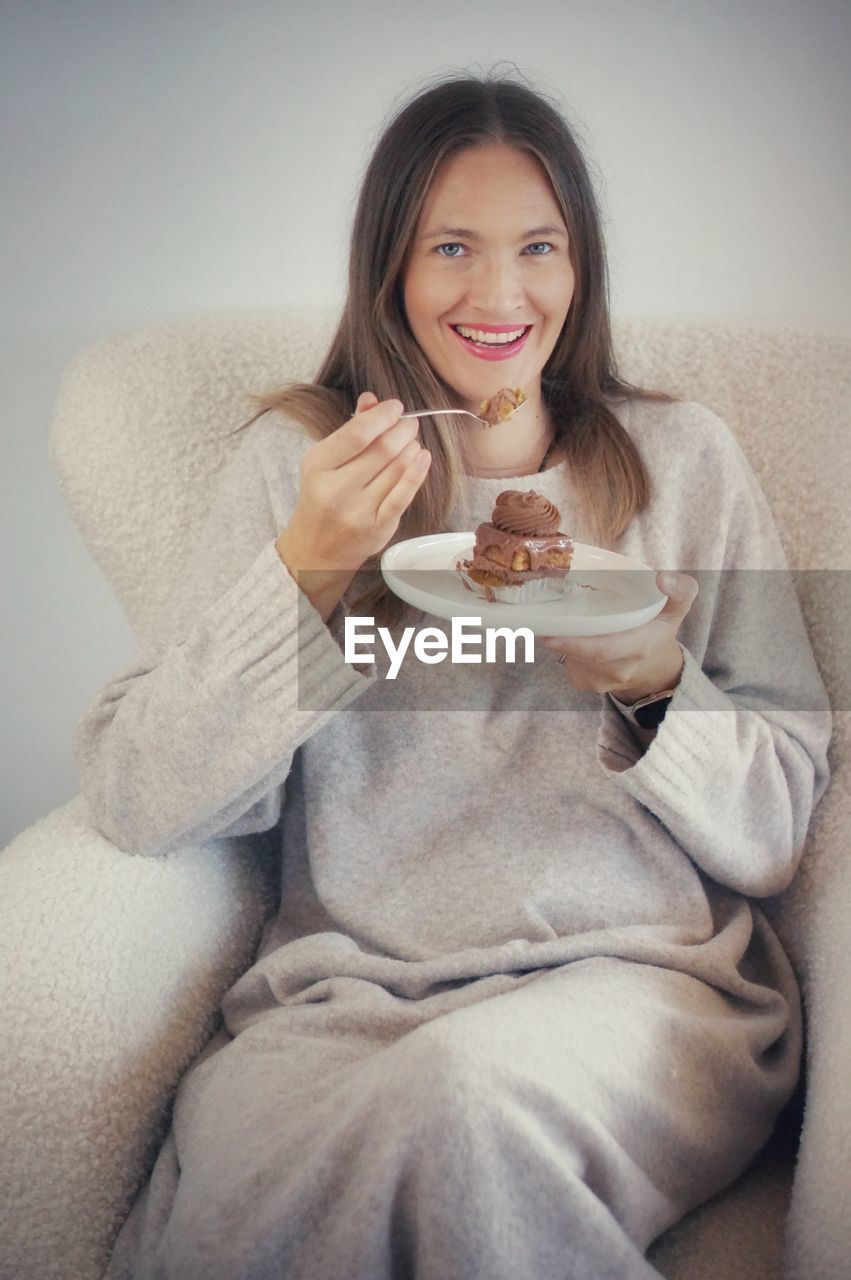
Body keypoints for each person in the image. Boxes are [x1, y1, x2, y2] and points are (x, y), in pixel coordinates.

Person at [79, 69, 831, 1280]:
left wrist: (650, 679)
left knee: (462, 1107)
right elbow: (138, 794)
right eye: (450, 248)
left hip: (639, 983)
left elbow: (777, 824)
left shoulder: (682, 461)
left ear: (578, 268)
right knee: (241, 1211)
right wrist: (307, 571)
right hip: (342, 998)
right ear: (390, 267)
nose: (498, 293)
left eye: (538, 246)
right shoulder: (298, 470)